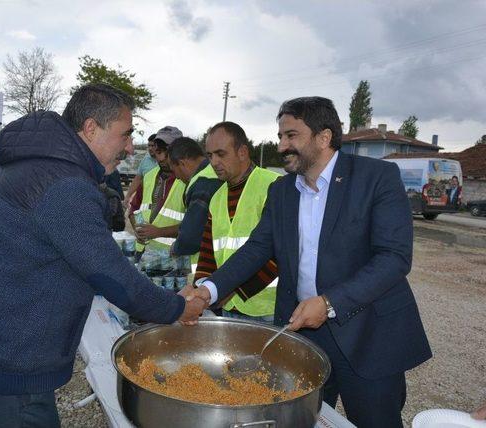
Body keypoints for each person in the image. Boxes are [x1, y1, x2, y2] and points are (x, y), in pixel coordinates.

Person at [0, 83, 206, 427]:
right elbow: (109, 272)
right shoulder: (63, 184)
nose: (130, 148)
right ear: (90, 128)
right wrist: (176, 306)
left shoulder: (34, 163)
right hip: (8, 359)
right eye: (125, 135)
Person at [185, 97, 432, 427]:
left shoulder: (376, 177)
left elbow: (394, 258)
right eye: (280, 136)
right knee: (302, 420)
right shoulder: (283, 190)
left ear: (324, 137)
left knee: (374, 421)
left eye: (292, 136)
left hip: (368, 333)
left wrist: (330, 303)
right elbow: (257, 249)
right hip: (304, 332)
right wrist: (208, 290)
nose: (282, 146)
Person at [194, 122, 281, 322]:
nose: (214, 162)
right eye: (210, 155)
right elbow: (208, 252)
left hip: (267, 309)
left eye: (221, 154)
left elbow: (282, 249)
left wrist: (232, 288)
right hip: (227, 306)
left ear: (242, 152)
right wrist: (201, 286)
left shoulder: (274, 186)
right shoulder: (216, 197)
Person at [131, 126, 186, 253]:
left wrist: (159, 232)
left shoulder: (186, 179)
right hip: (143, 253)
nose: (160, 158)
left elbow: (194, 226)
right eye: (158, 151)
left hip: (172, 258)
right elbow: (134, 209)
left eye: (165, 152)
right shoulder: (149, 176)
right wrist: (137, 229)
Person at [165, 137, 222, 262]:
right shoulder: (215, 173)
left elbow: (190, 237)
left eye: (174, 170)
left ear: (182, 163)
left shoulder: (202, 184)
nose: (177, 178)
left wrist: (176, 248)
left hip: (207, 264)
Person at [123, 133, 158, 208]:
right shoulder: (145, 161)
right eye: (149, 145)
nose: (150, 148)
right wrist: (128, 196)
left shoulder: (167, 162)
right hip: (146, 203)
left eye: (153, 145)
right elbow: (137, 179)